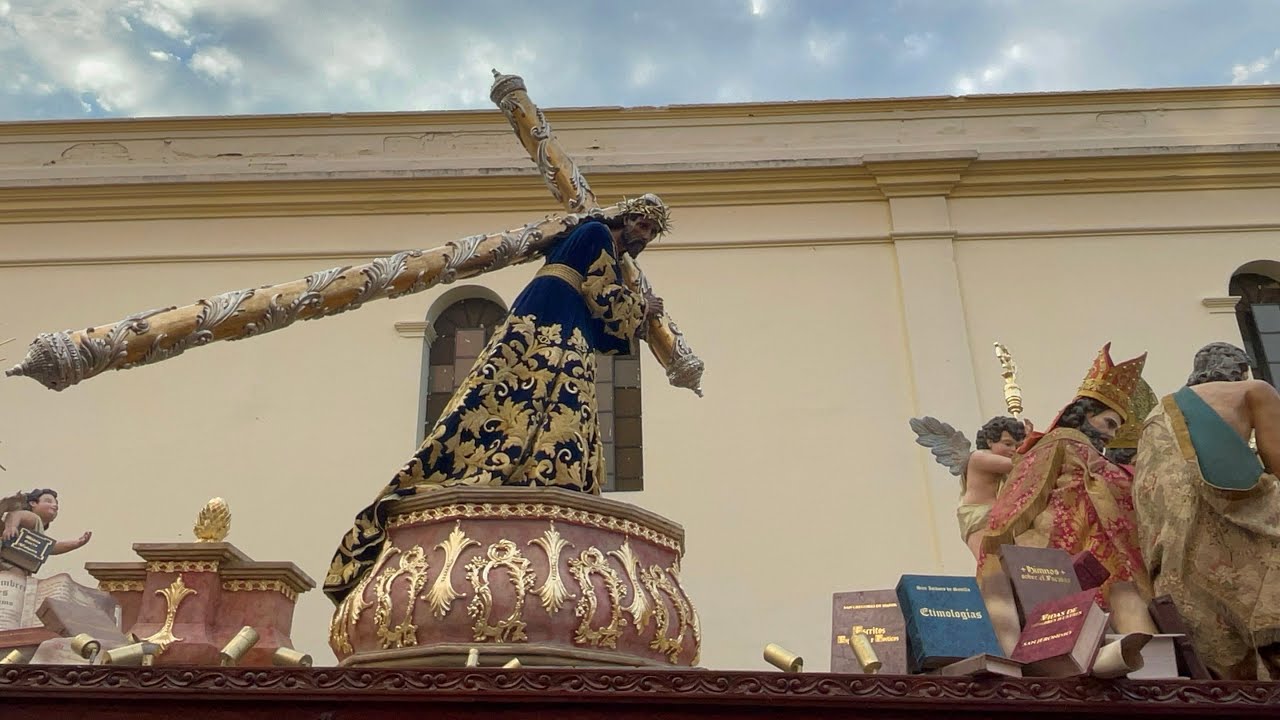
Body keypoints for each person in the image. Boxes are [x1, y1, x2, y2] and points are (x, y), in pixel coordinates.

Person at [324, 197, 671, 603]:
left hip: (567, 324)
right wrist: (643, 306)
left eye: (651, 231)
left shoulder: (608, 250)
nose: (643, 236)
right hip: (552, 321)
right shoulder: (595, 232)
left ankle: (545, 468)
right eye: (640, 225)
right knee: (548, 392)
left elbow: (608, 321)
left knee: (561, 402)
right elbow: (601, 294)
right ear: (625, 218)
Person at [1134, 342, 1280, 679]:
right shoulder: (1254, 389)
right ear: (1241, 370)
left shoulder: (1161, 411)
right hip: (1232, 513)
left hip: (1172, 538)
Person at [979, 343, 1152, 608]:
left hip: (1099, 546)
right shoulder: (1060, 441)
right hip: (1061, 546)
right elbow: (1021, 496)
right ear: (1088, 414)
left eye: (1117, 431)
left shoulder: (1084, 450)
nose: (1111, 435)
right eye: (1109, 424)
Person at [957, 416, 1030, 559]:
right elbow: (1021, 465)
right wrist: (1030, 444)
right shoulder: (979, 457)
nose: (1013, 450)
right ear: (990, 441)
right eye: (1007, 444)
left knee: (1007, 565)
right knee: (989, 563)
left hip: (997, 516)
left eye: (1017, 446)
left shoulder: (1000, 464)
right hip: (979, 517)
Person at [1, 488, 92, 560]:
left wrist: (76, 543)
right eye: (48, 501)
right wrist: (11, 527)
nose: (55, 506)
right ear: (33, 503)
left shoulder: (37, 530)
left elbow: (50, 548)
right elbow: (16, 514)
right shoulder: (34, 518)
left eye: (56, 504)